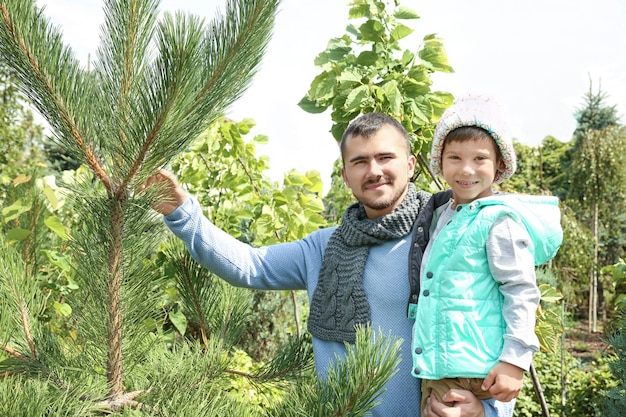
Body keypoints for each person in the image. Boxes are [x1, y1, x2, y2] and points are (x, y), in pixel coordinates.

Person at [146, 112, 512, 417]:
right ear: (345, 175)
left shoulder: (451, 235)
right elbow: (250, 265)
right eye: (360, 161)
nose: (374, 171)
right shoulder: (322, 248)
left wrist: (489, 410)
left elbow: (499, 319)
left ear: (411, 165)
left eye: (385, 157)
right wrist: (181, 213)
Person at [409, 95, 563, 414]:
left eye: (480, 159)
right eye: (454, 158)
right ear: (440, 161)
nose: (466, 169)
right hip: (443, 364)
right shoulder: (442, 215)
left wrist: (514, 361)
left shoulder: (499, 220)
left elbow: (520, 291)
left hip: (477, 372)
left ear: (499, 165)